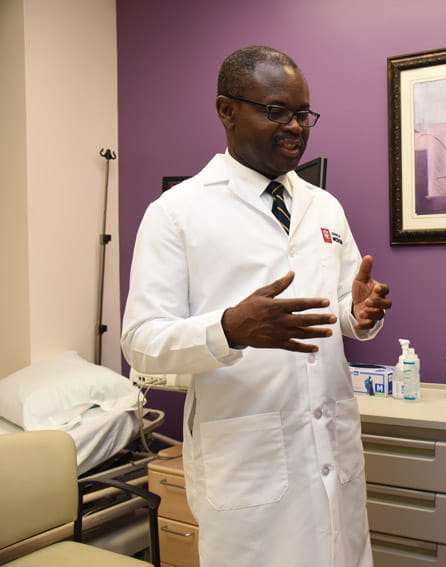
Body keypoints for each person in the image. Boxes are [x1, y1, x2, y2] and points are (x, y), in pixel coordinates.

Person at [121, 46, 391, 567]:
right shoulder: (176, 213)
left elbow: (339, 303)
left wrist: (356, 314)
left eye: (303, 114)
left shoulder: (323, 206)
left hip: (330, 448)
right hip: (247, 466)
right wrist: (228, 329)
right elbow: (141, 343)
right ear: (226, 111)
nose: (295, 127)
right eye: (276, 111)